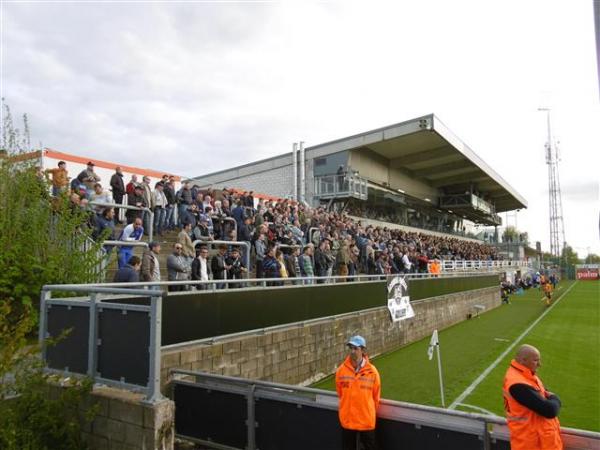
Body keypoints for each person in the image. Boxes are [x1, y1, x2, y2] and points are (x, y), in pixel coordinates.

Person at [502, 344, 562, 450]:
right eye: (535, 360)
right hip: (532, 443)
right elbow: (550, 410)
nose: (539, 364)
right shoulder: (518, 384)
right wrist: (556, 399)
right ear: (523, 360)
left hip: (537, 441)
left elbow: (543, 393)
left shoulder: (524, 375)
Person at [335, 335, 381, 450]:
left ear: (363, 350)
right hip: (348, 420)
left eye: (356, 348)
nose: (352, 351)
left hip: (366, 419)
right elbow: (340, 393)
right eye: (351, 348)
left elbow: (376, 396)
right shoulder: (341, 370)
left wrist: (367, 410)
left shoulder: (372, 372)